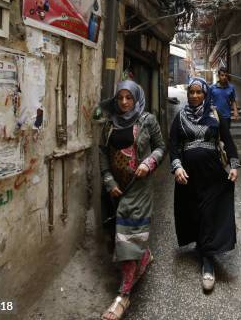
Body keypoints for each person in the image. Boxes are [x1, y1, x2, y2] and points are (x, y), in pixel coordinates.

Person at [99, 80, 165, 320]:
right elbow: (102, 153)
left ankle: (123, 296)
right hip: (117, 189)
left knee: (127, 234)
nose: (124, 102)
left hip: (140, 186)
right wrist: (109, 181)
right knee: (124, 232)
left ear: (136, 98)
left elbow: (160, 147)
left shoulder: (148, 120)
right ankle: (144, 256)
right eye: (120, 98)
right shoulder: (109, 125)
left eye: (129, 98)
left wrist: (149, 162)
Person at [169, 77, 240, 291]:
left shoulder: (214, 114)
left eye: (199, 92)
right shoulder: (180, 116)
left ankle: (208, 263)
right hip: (188, 176)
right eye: (191, 92)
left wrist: (234, 165)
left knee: (209, 212)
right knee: (196, 213)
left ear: (205, 93)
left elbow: (228, 141)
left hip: (212, 174)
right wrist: (177, 167)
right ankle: (201, 244)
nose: (194, 96)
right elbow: (173, 145)